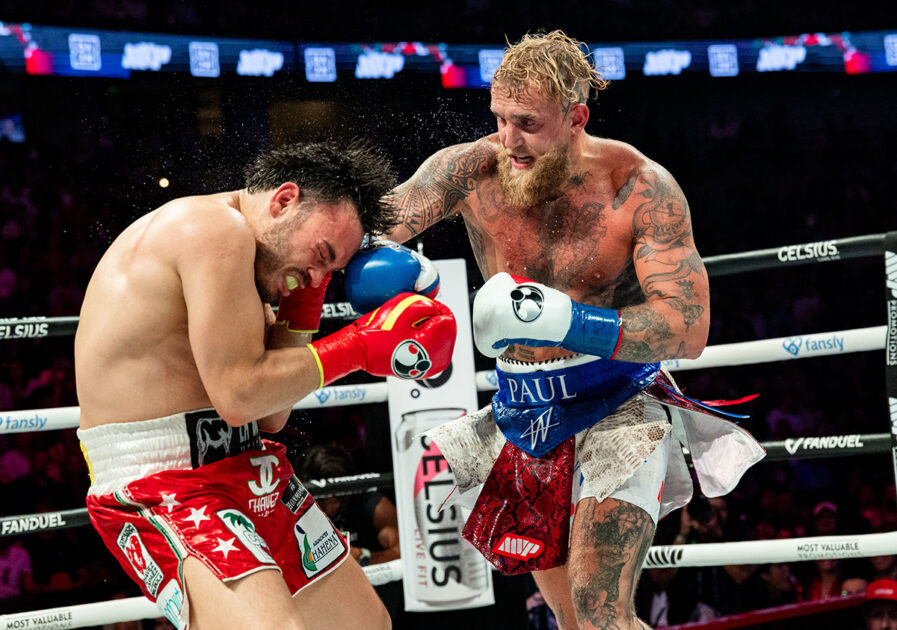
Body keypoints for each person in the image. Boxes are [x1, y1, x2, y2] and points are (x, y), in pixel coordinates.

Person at [347, 31, 765, 629]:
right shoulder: (471, 169)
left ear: (576, 118)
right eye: (499, 118)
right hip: (526, 411)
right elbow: (378, 223)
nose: (508, 139)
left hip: (619, 405)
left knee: (601, 613)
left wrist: (566, 320)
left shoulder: (638, 186)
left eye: (527, 123)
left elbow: (686, 326)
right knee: (572, 621)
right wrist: (377, 262)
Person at [74, 141, 457, 630]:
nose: (318, 275)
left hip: (247, 465)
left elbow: (270, 414)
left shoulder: (258, 268)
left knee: (364, 625)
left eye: (331, 271)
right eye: (321, 255)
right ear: (284, 200)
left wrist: (306, 302)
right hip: (163, 480)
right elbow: (238, 396)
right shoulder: (214, 229)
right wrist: (362, 346)